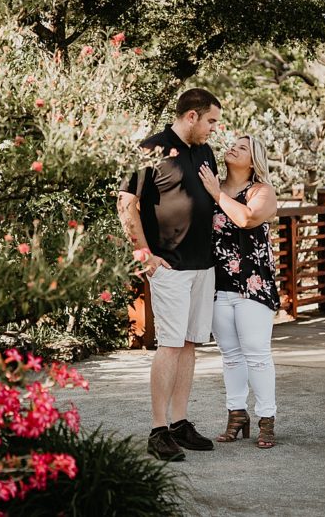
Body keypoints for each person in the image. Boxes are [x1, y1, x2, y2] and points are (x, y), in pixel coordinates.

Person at [118, 88, 222, 462]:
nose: (214, 128)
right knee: (171, 345)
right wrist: (144, 254)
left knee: (190, 343)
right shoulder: (152, 148)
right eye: (211, 121)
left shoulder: (205, 152)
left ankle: (179, 423)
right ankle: (158, 430)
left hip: (203, 265)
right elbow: (126, 204)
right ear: (191, 116)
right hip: (170, 266)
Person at [199, 134, 280, 449]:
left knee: (257, 354)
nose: (233, 148)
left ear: (254, 160)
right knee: (230, 356)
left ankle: (266, 420)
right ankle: (236, 415)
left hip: (253, 284)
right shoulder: (212, 185)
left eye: (242, 147)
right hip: (217, 285)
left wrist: (216, 193)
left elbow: (247, 218)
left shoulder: (262, 191)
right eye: (232, 144)